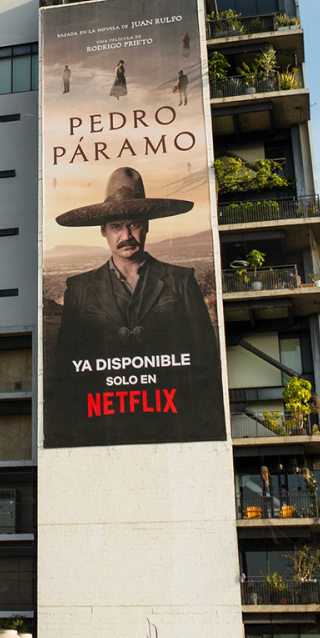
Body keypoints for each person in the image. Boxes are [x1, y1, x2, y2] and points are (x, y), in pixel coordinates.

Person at [47, 167, 224, 446]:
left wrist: (204, 431)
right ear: (103, 231)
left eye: (135, 224)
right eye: (116, 226)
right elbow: (67, 373)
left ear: (147, 225)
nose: (126, 235)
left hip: (174, 428)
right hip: (102, 430)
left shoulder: (181, 280)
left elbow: (205, 362)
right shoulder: (79, 289)